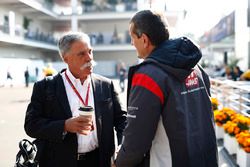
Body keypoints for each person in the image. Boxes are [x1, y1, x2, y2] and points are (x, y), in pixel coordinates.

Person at [115, 10, 218, 167]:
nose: (131, 43)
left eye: (132, 37)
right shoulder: (196, 68)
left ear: (144, 39)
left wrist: (120, 162)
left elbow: (136, 138)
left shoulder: (148, 76)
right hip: (204, 159)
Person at [24, 32, 127, 167]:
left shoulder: (106, 85)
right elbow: (31, 125)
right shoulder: (45, 87)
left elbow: (122, 120)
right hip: (60, 162)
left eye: (90, 51)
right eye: (81, 54)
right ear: (65, 58)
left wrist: (122, 146)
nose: (89, 58)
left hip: (100, 161)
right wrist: (65, 125)